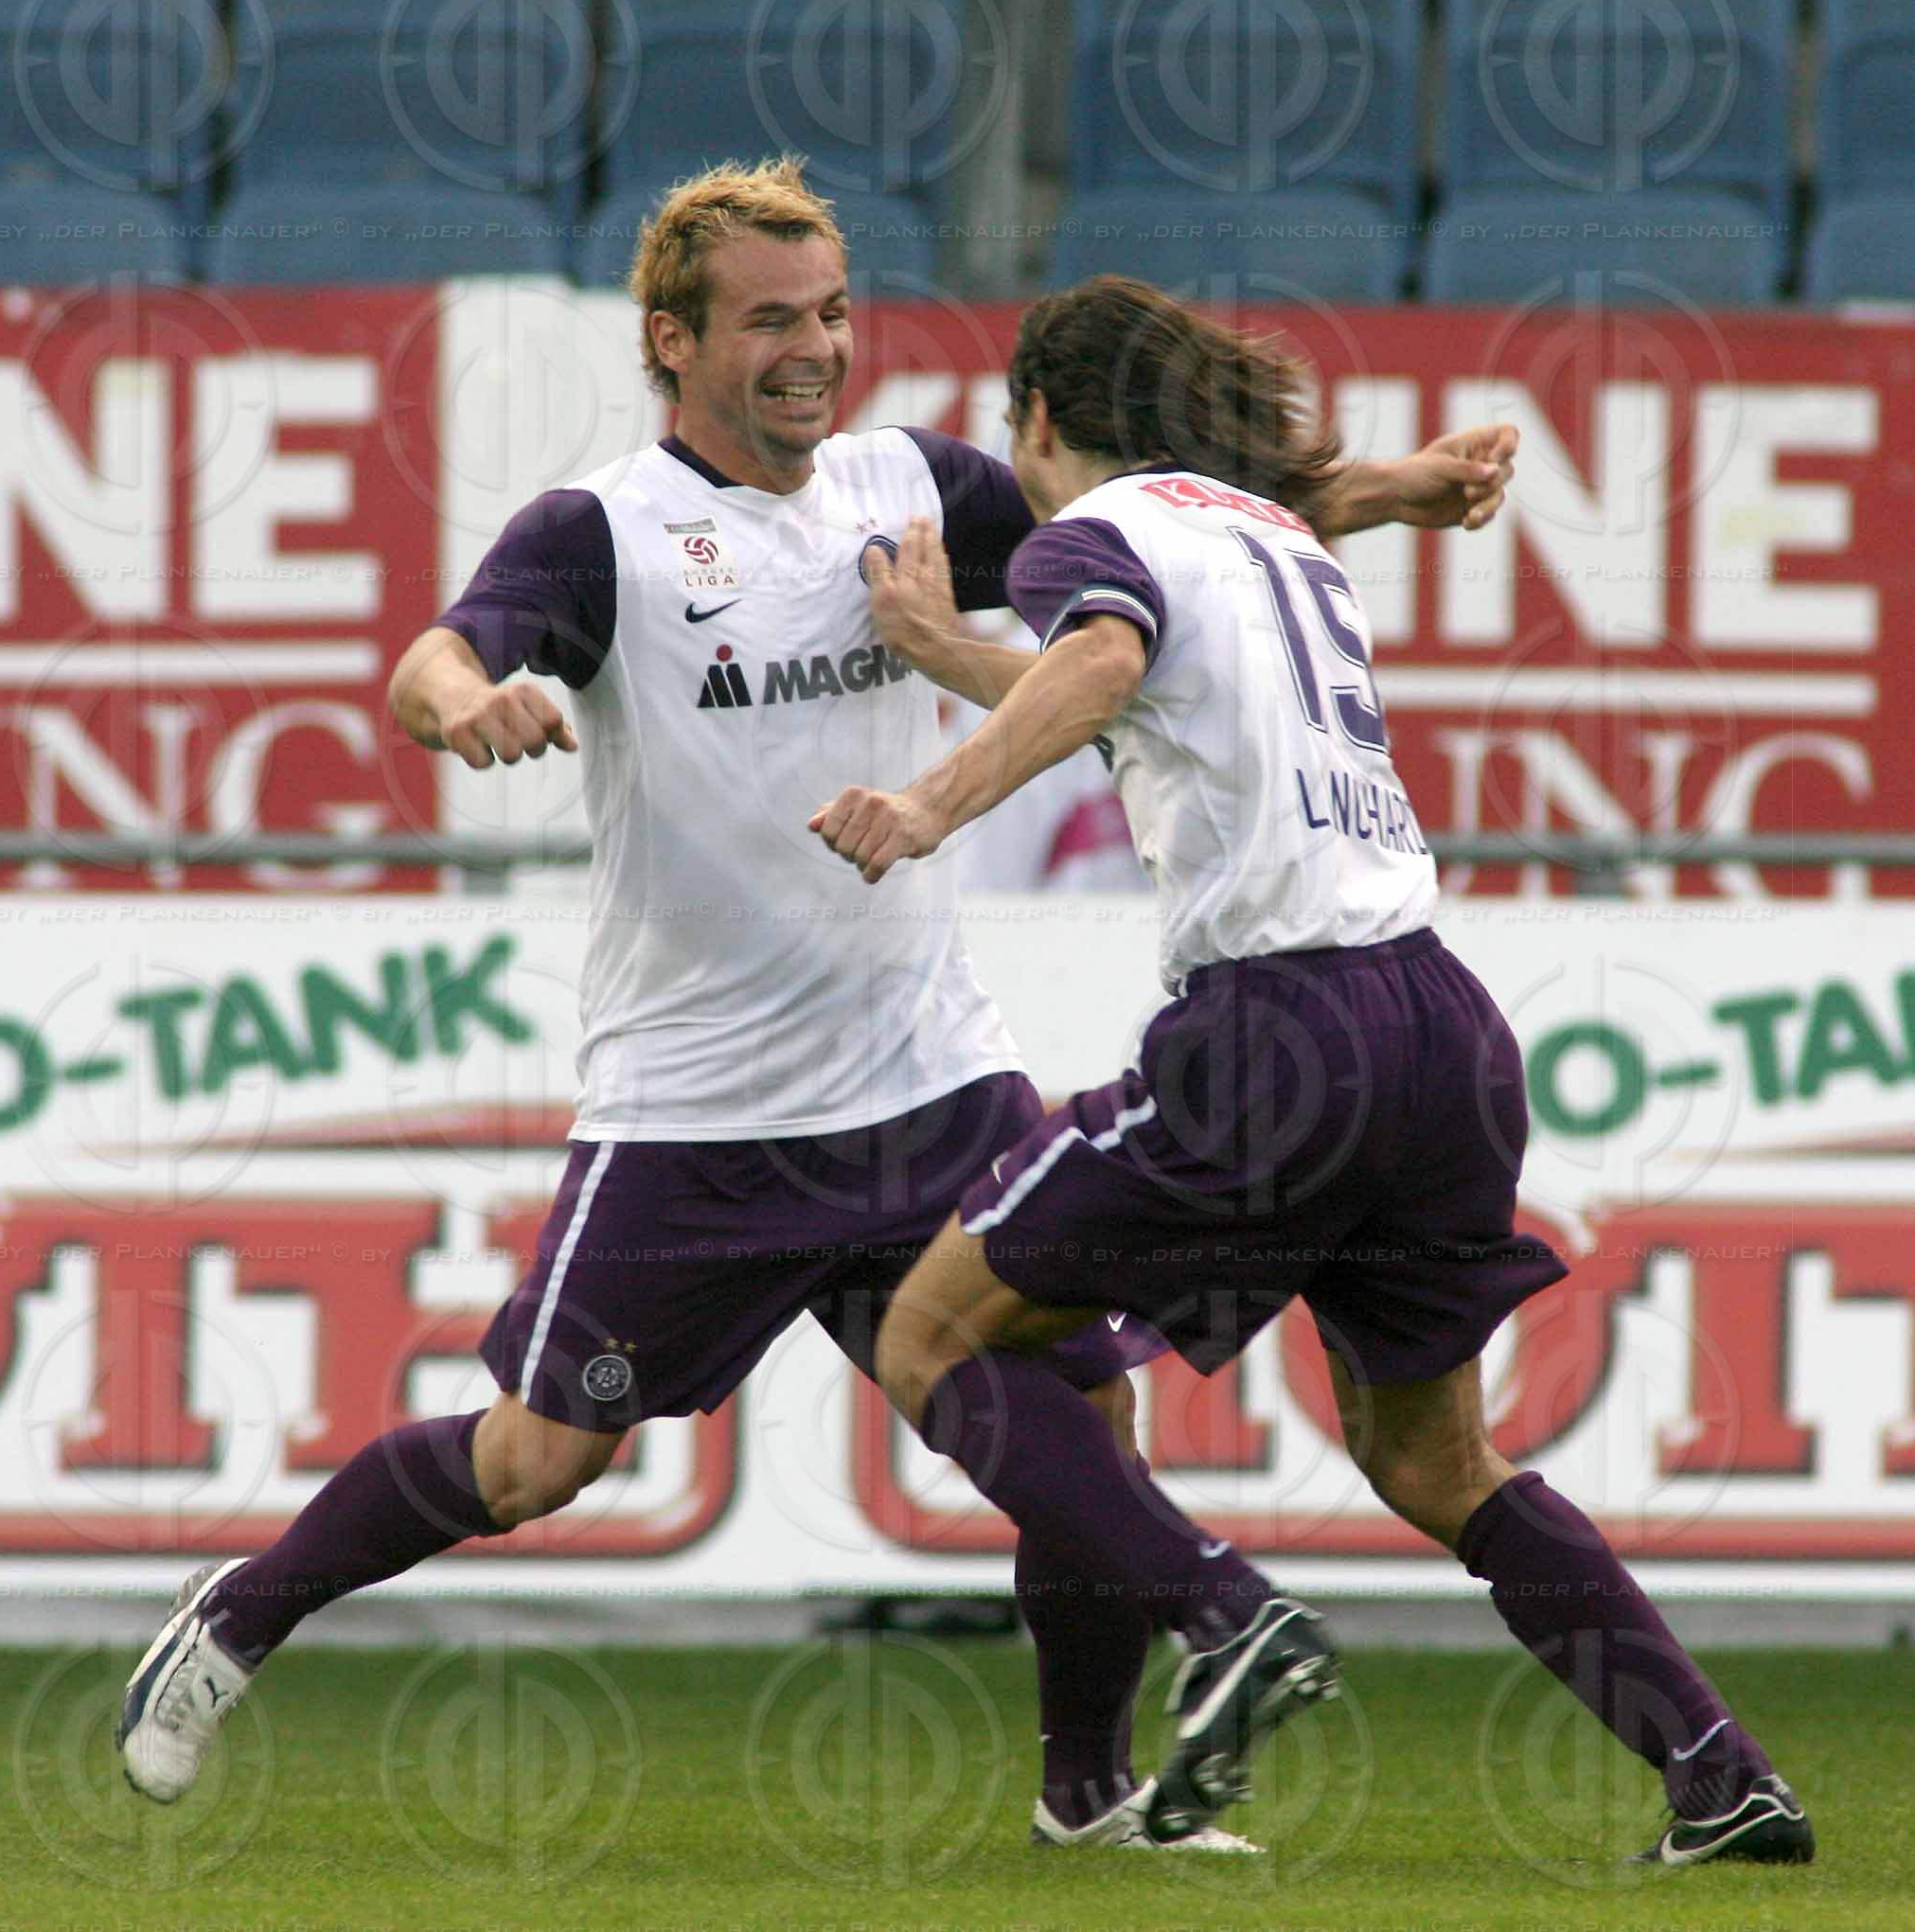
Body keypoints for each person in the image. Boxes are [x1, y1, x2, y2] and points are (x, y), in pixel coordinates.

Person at [116, 160, 1520, 1852]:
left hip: (925, 1074)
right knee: (531, 1466)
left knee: (1079, 1397)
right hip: (702, 1110)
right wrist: (468, 701)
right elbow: (437, 653)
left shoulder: (909, 485)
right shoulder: (605, 531)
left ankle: (1098, 1786)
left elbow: (1167, 537)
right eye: (774, 320)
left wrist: (1392, 495)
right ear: (673, 338)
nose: (816, 349)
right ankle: (237, 1621)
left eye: (834, 313)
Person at [811, 274, 1811, 1868]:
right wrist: (945, 640)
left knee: (935, 1333)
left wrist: (933, 798)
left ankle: (1231, 1617)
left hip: (1276, 1031)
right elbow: (1142, 672)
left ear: (1045, 424)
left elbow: (1099, 671)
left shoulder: (1093, 535)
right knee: (1435, 1460)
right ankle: (1717, 1770)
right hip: (1442, 1030)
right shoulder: (1266, 532)